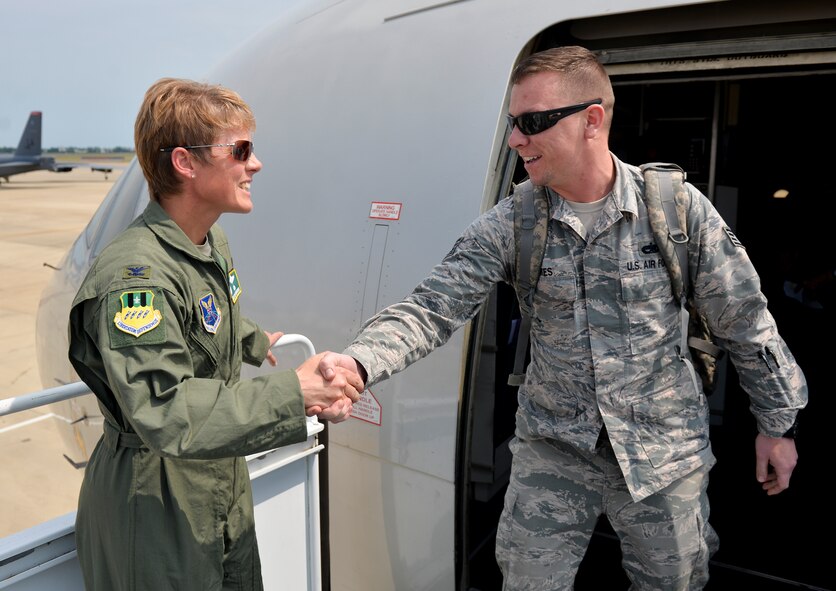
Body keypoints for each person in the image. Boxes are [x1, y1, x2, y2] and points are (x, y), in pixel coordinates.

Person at [321, 46, 808, 589]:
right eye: (513, 123)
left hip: (663, 457)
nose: (514, 140)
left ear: (591, 120)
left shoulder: (675, 209)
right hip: (555, 453)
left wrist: (777, 425)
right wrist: (359, 364)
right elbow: (433, 306)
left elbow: (745, 319)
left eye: (531, 123)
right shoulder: (514, 222)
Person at [67, 78, 363, 591]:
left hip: (216, 480)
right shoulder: (134, 280)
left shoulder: (206, 242)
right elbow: (166, 409)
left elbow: (204, 315)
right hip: (155, 501)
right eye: (241, 150)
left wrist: (252, 343)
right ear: (185, 163)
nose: (256, 164)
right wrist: (294, 392)